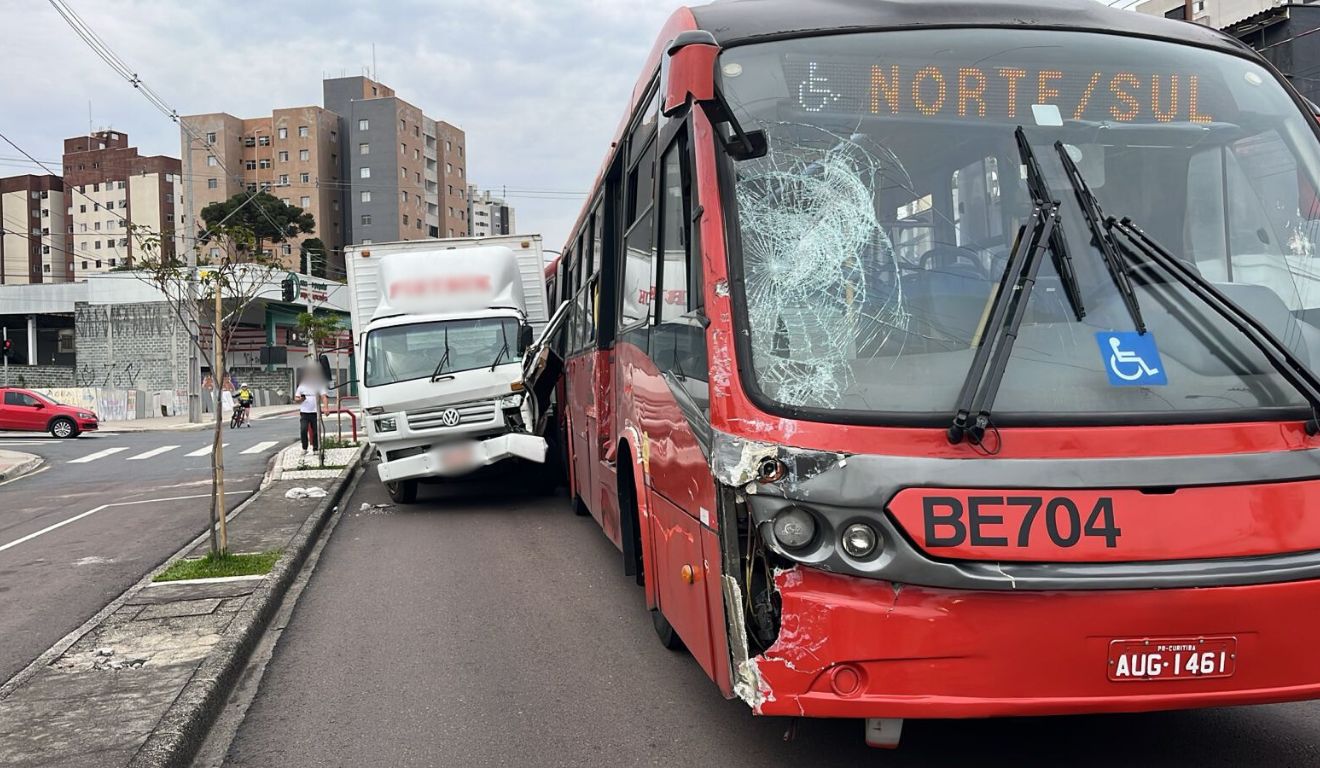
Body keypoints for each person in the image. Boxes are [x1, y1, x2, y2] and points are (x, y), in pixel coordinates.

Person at [294, 369, 327, 454]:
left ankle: (315, 448)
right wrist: (301, 399)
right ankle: (304, 448)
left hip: (316, 412)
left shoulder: (319, 385)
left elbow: (324, 397)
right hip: (304, 412)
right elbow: (296, 398)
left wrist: (326, 408)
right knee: (303, 429)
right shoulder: (302, 386)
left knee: (316, 430)